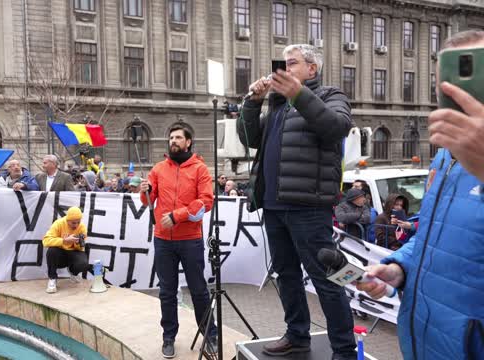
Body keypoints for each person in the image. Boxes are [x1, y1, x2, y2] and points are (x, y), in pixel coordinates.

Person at [357, 30, 484, 359]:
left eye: (473, 72)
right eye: (450, 75)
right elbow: (435, 233)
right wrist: (400, 268)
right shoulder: (445, 155)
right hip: (423, 340)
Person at [237, 44, 355, 359]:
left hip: (309, 209)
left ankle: (344, 348)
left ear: (312, 69)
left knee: (327, 279)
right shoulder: (276, 105)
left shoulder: (332, 96)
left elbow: (336, 127)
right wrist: (253, 102)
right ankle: (297, 334)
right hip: (274, 206)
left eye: (292, 64)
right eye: (283, 64)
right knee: (285, 274)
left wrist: (299, 95)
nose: (285, 69)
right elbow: (249, 140)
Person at [140, 123, 217, 358]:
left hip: (190, 240)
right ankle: (168, 337)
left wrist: (177, 216)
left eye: (178, 137)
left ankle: (210, 335)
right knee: (166, 291)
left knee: (199, 291)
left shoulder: (200, 169)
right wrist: (144, 190)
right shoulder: (158, 169)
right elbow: (147, 202)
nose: (173, 141)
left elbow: (206, 201)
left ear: (188, 142)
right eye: (171, 137)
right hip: (163, 241)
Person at [42, 207, 89, 293]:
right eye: (73, 223)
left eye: (78, 222)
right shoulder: (58, 224)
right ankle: (52, 278)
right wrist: (64, 240)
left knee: (83, 263)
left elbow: (80, 249)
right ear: (67, 220)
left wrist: (77, 243)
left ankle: (73, 272)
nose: (76, 225)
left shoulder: (82, 227)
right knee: (51, 251)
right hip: (60, 252)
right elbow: (45, 241)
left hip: (73, 252)